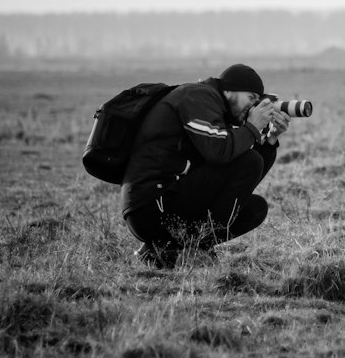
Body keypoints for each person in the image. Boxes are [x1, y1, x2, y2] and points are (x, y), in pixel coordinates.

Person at [121, 62, 290, 268]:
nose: (253, 106)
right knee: (249, 160)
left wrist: (270, 141)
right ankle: (196, 250)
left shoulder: (213, 108)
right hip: (150, 207)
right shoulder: (198, 96)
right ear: (229, 90)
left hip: (167, 203)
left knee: (254, 208)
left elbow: (241, 172)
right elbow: (219, 151)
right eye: (251, 98)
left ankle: (163, 250)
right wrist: (252, 127)